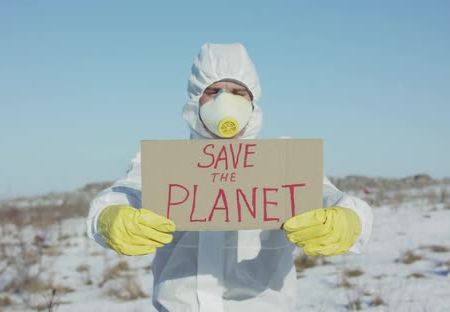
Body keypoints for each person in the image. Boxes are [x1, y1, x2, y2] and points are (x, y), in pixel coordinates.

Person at [86, 42, 373, 311]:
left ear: (253, 101)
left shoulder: (284, 159)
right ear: (196, 99)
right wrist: (109, 216)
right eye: (214, 92)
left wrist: (349, 219)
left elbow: (332, 196)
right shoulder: (165, 162)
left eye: (237, 93)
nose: (226, 102)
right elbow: (125, 192)